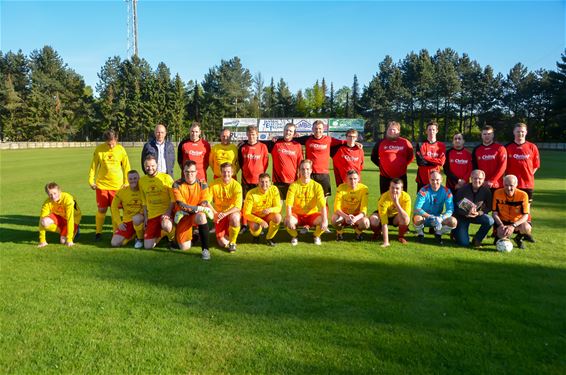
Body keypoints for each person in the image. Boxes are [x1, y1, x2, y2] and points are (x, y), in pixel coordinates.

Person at [88, 130, 131, 241]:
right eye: (108, 143)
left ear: (116, 139)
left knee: (114, 210)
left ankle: (115, 232)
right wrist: (91, 181)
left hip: (117, 186)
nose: (111, 145)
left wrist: (127, 182)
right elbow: (94, 166)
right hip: (102, 185)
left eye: (113, 143)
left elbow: (127, 167)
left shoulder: (121, 150)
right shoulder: (99, 149)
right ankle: (98, 232)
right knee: (102, 209)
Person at [292, 120, 346, 197]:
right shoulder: (307, 139)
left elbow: (343, 142)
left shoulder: (329, 139)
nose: (318, 130)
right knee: (308, 198)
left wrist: (356, 143)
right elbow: (290, 139)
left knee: (324, 199)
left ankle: (324, 210)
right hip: (309, 174)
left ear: (323, 129)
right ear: (312, 129)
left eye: (320, 128)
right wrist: (278, 138)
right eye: (316, 128)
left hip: (323, 174)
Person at [172, 160, 213, 260]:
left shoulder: (203, 184)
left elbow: (204, 203)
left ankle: (205, 250)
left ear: (196, 172)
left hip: (193, 215)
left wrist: (198, 209)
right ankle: (194, 235)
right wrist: (198, 208)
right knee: (185, 248)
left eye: (192, 171)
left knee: (202, 216)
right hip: (183, 216)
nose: (189, 174)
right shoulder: (176, 184)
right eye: (187, 172)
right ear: (183, 172)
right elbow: (181, 205)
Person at [285, 159, 328, 246]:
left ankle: (316, 236)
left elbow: (323, 206)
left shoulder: (317, 186)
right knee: (287, 221)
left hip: (312, 215)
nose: (305, 171)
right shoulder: (293, 186)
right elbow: (288, 204)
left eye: (307, 169)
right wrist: (289, 217)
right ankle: (295, 236)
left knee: (324, 220)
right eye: (303, 169)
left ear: (311, 170)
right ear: (299, 171)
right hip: (297, 215)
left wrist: (325, 220)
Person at [505, 123, 540, 224]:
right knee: (509, 207)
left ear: (526, 132)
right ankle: (503, 230)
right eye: (518, 131)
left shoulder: (532, 147)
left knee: (526, 208)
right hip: (511, 185)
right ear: (514, 132)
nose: (520, 134)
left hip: (527, 184)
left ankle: (525, 231)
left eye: (522, 132)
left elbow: (535, 165)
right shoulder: (507, 147)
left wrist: (528, 174)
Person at [138, 155, 175, 249]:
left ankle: (172, 238)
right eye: (147, 166)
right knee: (148, 246)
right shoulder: (142, 181)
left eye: (153, 165)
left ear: (157, 165)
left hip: (165, 214)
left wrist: (168, 212)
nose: (150, 168)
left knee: (166, 225)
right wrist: (146, 217)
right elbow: (144, 202)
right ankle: (162, 233)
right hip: (152, 216)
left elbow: (173, 199)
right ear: (144, 166)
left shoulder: (166, 178)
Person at [238, 125, 269, 233]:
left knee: (258, 203)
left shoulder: (263, 147)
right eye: (249, 134)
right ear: (246, 134)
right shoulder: (243, 147)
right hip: (246, 180)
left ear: (257, 135)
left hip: (258, 181)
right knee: (245, 202)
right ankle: (245, 224)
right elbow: (241, 163)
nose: (251, 136)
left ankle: (260, 223)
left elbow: (265, 163)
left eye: (254, 134)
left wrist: (259, 176)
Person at [413, 170, 457, 244]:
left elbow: (450, 209)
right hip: (425, 217)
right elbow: (417, 208)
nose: (435, 182)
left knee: (453, 221)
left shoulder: (447, 191)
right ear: (429, 180)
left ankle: (438, 233)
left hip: (438, 219)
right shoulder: (423, 190)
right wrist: (430, 216)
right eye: (432, 180)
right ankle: (420, 234)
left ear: (441, 180)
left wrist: (441, 218)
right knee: (417, 218)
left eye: (437, 180)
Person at [453, 170, 493, 247]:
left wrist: (479, 213)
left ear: (483, 179)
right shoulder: (462, 190)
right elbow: (455, 206)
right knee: (464, 243)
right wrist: (465, 214)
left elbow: (489, 207)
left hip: (477, 216)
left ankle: (477, 239)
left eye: (480, 178)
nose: (477, 180)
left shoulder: (486, 191)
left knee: (490, 220)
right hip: (462, 217)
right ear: (471, 178)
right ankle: (455, 232)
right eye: (474, 178)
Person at [371, 121, 414, 193]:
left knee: (402, 199)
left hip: (401, 176)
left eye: (394, 129)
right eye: (389, 129)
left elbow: (411, 157)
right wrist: (382, 166)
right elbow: (373, 157)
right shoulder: (380, 143)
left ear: (398, 131)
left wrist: (402, 165)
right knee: (385, 200)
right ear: (387, 131)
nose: (391, 131)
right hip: (385, 177)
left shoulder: (405, 142)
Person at [263, 122, 303, 199]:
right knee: (277, 208)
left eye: (290, 131)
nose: (288, 132)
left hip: (293, 182)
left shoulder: (297, 146)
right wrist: (244, 142)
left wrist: (301, 181)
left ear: (294, 134)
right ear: (283, 131)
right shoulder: (275, 144)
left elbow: (300, 165)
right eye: (286, 130)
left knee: (293, 208)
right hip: (278, 181)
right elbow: (258, 143)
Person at [209, 162, 243, 252]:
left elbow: (238, 207)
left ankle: (233, 242)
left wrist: (225, 213)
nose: (226, 174)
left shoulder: (237, 186)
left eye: (228, 172)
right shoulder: (214, 184)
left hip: (231, 213)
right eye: (224, 172)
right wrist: (215, 213)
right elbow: (207, 202)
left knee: (235, 217)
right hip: (219, 214)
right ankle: (229, 233)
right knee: (222, 244)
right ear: (220, 172)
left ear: (232, 173)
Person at [492, 174, 532, 249]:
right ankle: (499, 237)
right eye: (506, 185)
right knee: (501, 234)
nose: (508, 188)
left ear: (516, 185)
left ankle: (518, 239)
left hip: (517, 223)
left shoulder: (523, 195)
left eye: (511, 185)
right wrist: (500, 225)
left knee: (527, 228)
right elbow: (494, 213)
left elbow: (525, 215)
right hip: (503, 222)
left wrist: (513, 225)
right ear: (503, 184)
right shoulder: (497, 193)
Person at [242, 173, 282, 247]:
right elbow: (246, 213)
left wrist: (270, 209)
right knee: (255, 227)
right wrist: (260, 221)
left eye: (266, 182)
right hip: (255, 216)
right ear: (258, 182)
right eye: (262, 182)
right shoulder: (251, 194)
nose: (264, 184)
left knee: (278, 217)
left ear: (270, 183)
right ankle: (256, 236)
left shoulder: (274, 189)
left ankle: (269, 238)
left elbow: (278, 207)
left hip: (267, 215)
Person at [38, 182, 82, 248]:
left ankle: (75, 228)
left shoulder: (68, 199)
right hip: (60, 217)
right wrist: (42, 240)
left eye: (55, 193)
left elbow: (70, 218)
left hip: (73, 218)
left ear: (59, 191)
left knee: (63, 241)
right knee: (44, 221)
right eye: (50, 194)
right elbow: (41, 220)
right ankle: (64, 230)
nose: (53, 196)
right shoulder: (47, 203)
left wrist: (69, 239)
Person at [369, 178, 411, 246]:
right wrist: (386, 242)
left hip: (396, 216)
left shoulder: (406, 197)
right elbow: (384, 223)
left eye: (397, 188)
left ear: (401, 189)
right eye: (392, 187)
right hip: (384, 215)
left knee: (406, 219)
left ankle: (400, 236)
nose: (394, 190)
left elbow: (406, 217)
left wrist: (396, 203)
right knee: (373, 219)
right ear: (389, 188)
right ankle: (377, 233)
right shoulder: (384, 198)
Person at [331, 169, 370, 241]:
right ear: (346, 179)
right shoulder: (341, 187)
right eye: (350, 179)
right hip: (344, 215)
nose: (353, 181)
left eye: (355, 179)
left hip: (357, 216)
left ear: (358, 179)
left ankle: (358, 232)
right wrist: (346, 217)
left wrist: (355, 218)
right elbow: (336, 207)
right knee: (334, 219)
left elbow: (364, 210)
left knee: (366, 223)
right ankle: (339, 232)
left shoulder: (364, 189)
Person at [110, 170, 145, 249]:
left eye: (135, 178)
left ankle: (140, 239)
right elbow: (113, 207)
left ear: (139, 178)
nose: (133, 181)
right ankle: (133, 235)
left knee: (136, 219)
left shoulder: (144, 190)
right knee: (114, 243)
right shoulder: (122, 192)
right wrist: (119, 222)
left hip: (142, 219)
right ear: (128, 180)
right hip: (128, 221)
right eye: (131, 179)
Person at [472, 125, 507, 192]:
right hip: (481, 184)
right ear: (481, 135)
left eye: (489, 134)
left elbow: (502, 167)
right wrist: (480, 180)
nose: (486, 136)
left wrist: (492, 181)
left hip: (496, 185)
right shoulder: (477, 149)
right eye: (484, 134)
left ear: (493, 135)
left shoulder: (500, 148)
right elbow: (474, 167)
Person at [415, 121, 446, 192]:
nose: (431, 131)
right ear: (426, 131)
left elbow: (441, 162)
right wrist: (436, 161)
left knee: (435, 202)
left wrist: (425, 157)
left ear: (437, 131)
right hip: (422, 179)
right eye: (429, 129)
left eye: (433, 129)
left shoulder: (441, 146)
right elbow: (420, 162)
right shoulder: (420, 144)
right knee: (422, 202)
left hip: (436, 180)